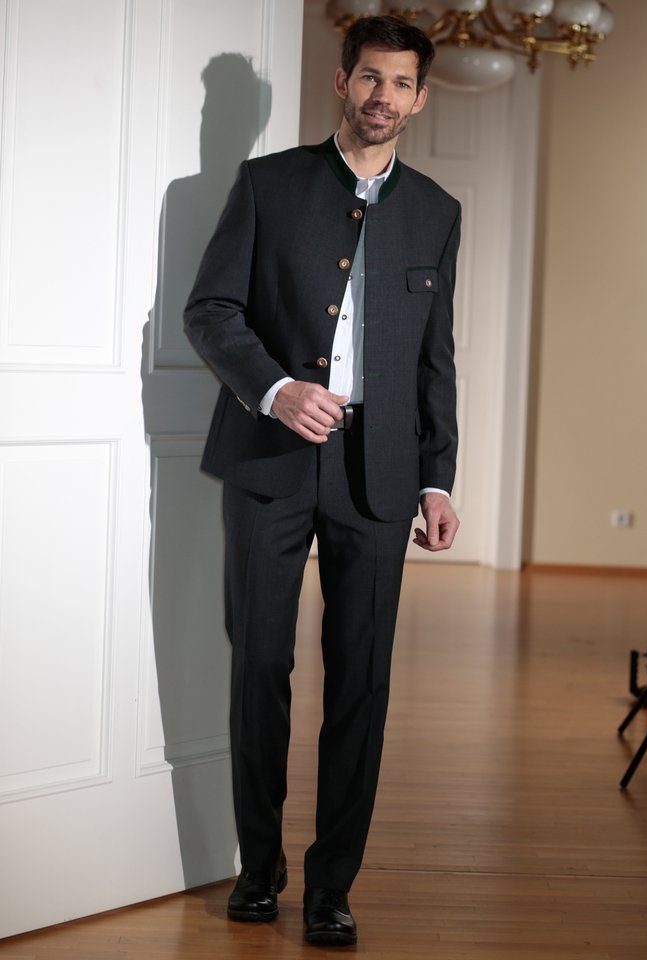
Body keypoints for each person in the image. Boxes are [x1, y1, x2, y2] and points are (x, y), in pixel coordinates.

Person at [183, 14, 462, 948]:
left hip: (379, 478)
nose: (384, 96)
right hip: (268, 462)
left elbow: (434, 360)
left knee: (361, 682)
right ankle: (257, 868)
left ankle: (332, 885)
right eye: (370, 77)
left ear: (419, 99)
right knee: (260, 665)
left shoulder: (437, 211)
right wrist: (274, 389)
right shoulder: (267, 184)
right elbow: (210, 309)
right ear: (342, 82)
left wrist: (436, 479)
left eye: (401, 83)